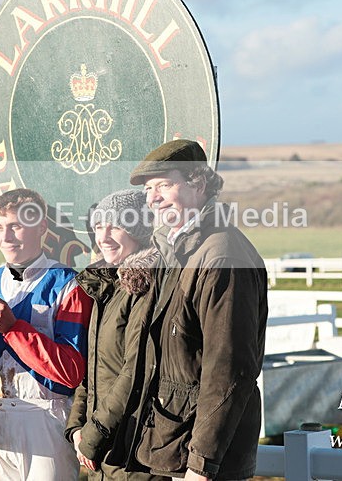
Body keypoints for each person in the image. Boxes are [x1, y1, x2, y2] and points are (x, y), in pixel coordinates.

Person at [126, 139, 268, 480]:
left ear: (199, 184)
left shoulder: (222, 257)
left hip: (203, 459)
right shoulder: (178, 250)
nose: (153, 198)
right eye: (148, 189)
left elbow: (228, 368)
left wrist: (202, 464)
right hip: (175, 442)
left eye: (164, 185)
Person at [0, 188, 93, 480]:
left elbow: (71, 371)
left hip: (46, 416)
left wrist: (13, 329)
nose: (6, 237)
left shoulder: (68, 285)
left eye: (16, 226)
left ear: (41, 227)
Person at [65, 189, 165, 480]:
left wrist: (93, 436)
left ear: (139, 231)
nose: (103, 237)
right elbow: (93, 369)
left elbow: (134, 371)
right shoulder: (107, 288)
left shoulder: (144, 288)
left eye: (115, 226)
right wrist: (77, 426)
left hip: (133, 451)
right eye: (99, 227)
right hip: (103, 450)